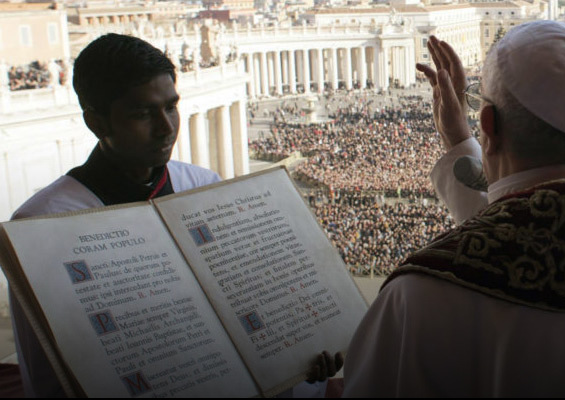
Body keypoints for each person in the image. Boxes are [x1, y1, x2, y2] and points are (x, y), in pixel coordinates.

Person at [343, 21, 565, 397]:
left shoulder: (420, 298)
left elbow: (508, 248)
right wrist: (460, 140)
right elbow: (527, 235)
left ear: (487, 124)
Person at [8, 33, 341, 397]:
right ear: (97, 123)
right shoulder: (41, 226)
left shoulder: (203, 186)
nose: (167, 127)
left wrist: (300, 360)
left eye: (170, 107)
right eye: (142, 114)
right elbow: (46, 373)